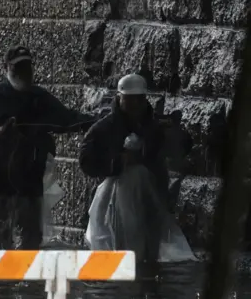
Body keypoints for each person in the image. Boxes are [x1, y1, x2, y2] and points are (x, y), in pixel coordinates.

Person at [0, 46, 95, 249]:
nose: (24, 72)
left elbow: (66, 119)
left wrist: (96, 122)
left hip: (29, 181)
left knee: (31, 240)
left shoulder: (39, 98)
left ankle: (27, 278)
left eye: (27, 67)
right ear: (6, 68)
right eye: (18, 68)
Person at [80, 73, 194, 264]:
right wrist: (118, 162)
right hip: (117, 200)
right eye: (129, 100)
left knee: (150, 249)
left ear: (144, 100)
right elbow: (86, 161)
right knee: (124, 248)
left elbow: (183, 146)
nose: (134, 105)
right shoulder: (104, 128)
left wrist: (173, 133)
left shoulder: (155, 125)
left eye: (138, 100)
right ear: (119, 98)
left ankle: (145, 280)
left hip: (152, 195)